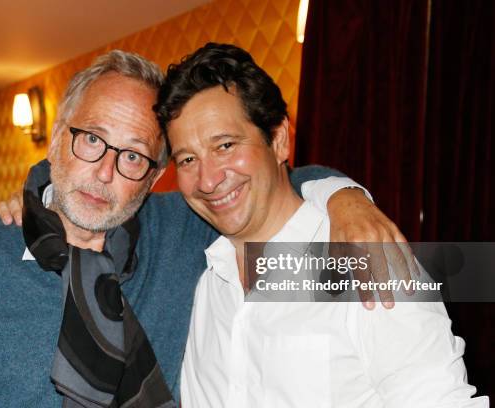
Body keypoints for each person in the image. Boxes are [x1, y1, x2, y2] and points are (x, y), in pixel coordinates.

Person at [0, 49, 409, 407]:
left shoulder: (183, 231)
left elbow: (270, 182)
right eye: (91, 140)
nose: (105, 172)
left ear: (153, 179)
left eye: (133, 156)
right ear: (58, 139)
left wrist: (346, 199)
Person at [153, 42, 488, 407]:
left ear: (279, 140)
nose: (207, 179)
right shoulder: (199, 279)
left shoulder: (367, 259)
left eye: (226, 146)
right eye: (187, 159)